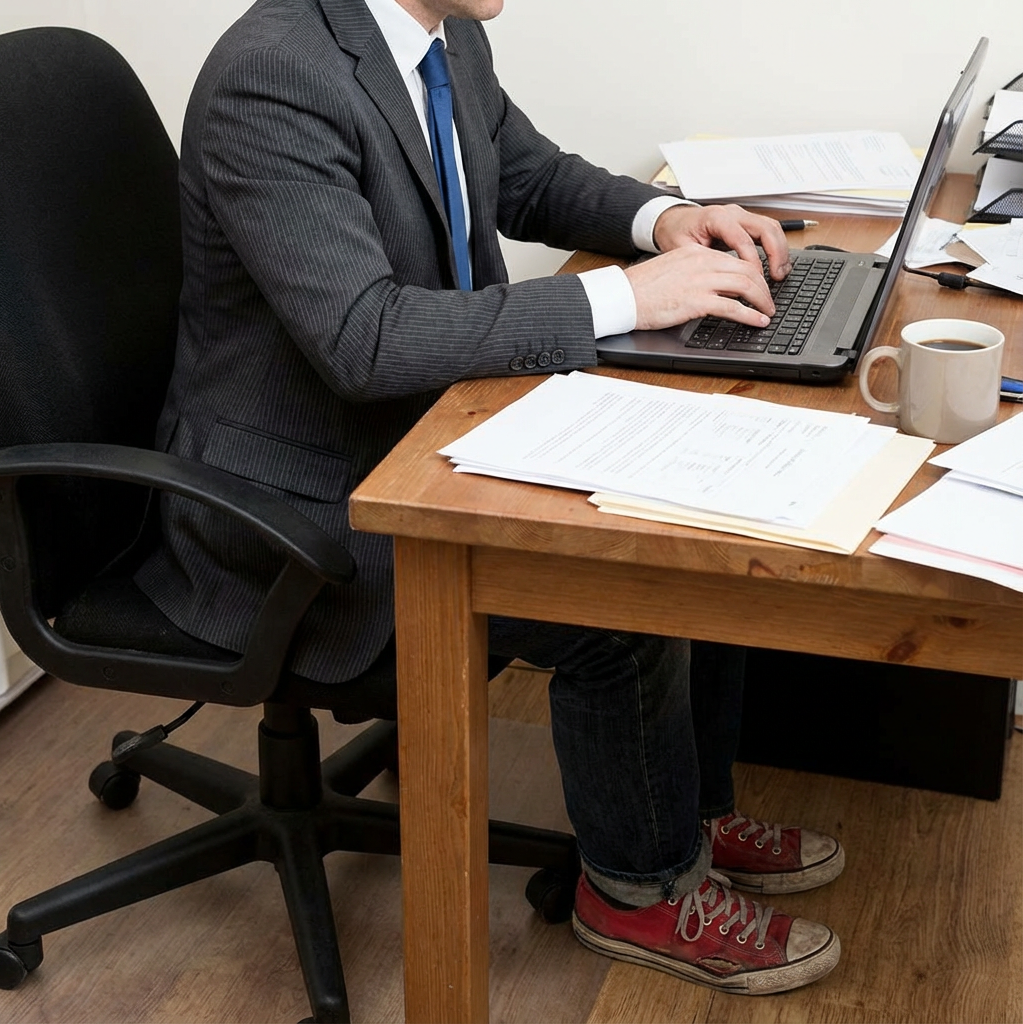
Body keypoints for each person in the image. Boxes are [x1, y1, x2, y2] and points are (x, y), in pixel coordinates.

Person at [137, 0, 845, 995]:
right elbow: (364, 338)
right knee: (616, 585)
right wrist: (628, 297)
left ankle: (682, 815)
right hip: (294, 510)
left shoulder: (442, 30)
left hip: (426, 435)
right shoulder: (273, 76)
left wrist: (665, 219)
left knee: (694, 504)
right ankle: (635, 890)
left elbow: (525, 174)